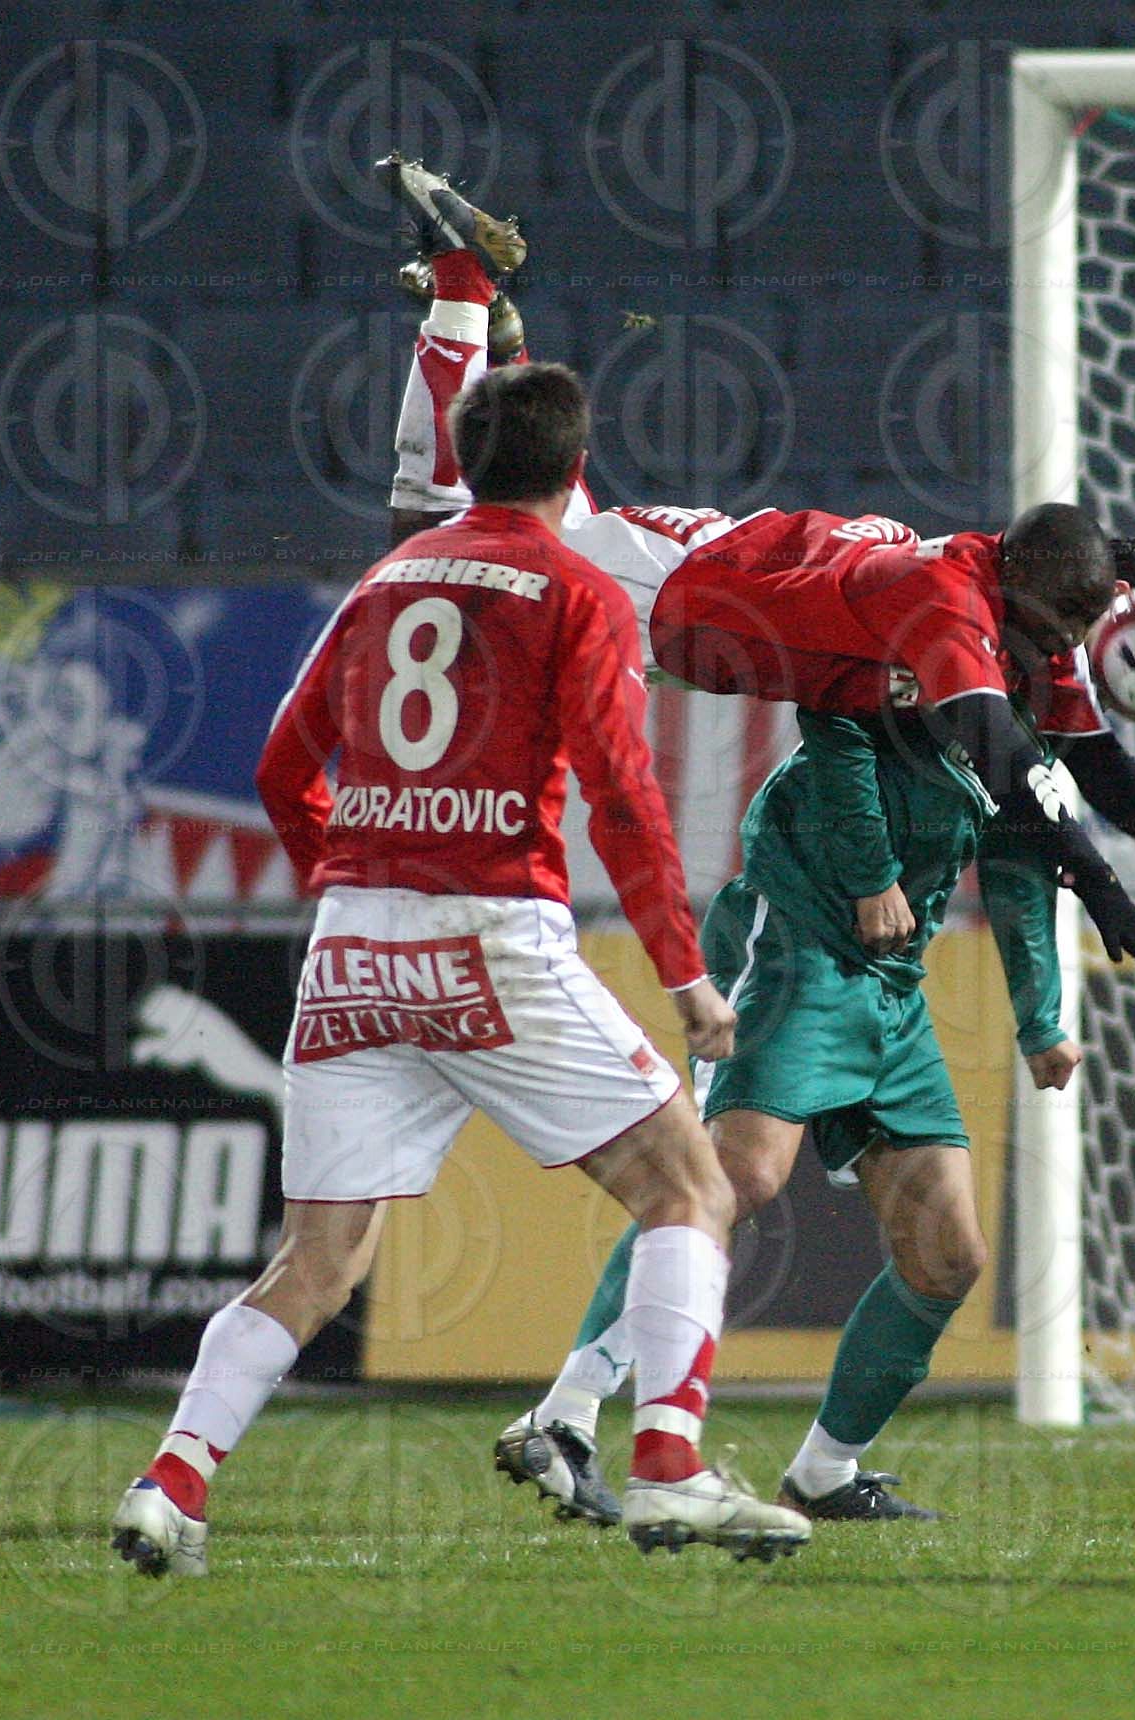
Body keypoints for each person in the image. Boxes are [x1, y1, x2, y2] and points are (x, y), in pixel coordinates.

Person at [109, 361, 811, 1576]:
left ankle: (169, 1485)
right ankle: (668, 1464)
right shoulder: (578, 590)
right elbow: (623, 797)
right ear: (576, 466)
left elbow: (282, 768)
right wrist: (686, 975)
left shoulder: (386, 577)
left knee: (315, 1261)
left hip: (351, 950)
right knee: (689, 1187)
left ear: (469, 463)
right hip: (490, 937)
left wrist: (360, 881)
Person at [378, 159, 1135, 970]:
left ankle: (502, 344)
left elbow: (1095, 761)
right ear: (1036, 604)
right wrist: (1100, 883)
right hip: (671, 597)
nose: (1073, 651)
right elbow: (1007, 765)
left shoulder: (1027, 588)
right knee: (433, 541)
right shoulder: (947, 605)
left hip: (708, 563)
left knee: (527, 506)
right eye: (1072, 631)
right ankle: (464, 283)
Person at [500, 706, 1078, 1522]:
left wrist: (1040, 1017)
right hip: (794, 945)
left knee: (947, 1252)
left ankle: (824, 1475)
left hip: (892, 983)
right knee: (733, 1179)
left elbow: (1018, 862)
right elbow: (834, 714)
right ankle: (566, 1414)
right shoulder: (925, 648)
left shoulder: (1033, 708)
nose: (1072, 647)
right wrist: (872, 875)